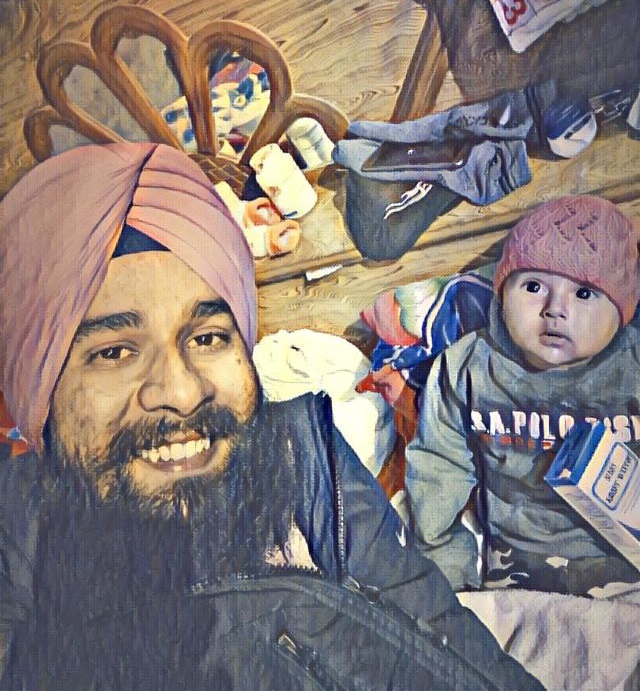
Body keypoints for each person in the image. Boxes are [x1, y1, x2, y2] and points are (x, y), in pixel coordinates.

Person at [0, 142, 538, 690]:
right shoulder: (18, 528)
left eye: (208, 338)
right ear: (40, 386)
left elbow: (447, 642)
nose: (182, 392)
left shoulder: (307, 461)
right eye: (115, 352)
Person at [406, 195, 640, 595]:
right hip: (517, 570)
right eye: (534, 286)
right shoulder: (469, 368)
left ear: (623, 311)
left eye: (584, 293)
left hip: (626, 570)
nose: (555, 309)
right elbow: (437, 471)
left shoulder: (632, 367)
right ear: (502, 293)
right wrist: (448, 586)